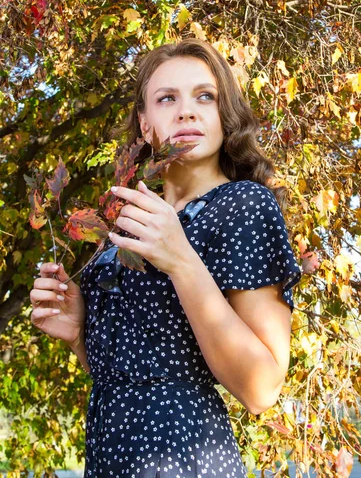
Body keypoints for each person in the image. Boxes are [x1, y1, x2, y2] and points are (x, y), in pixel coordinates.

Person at [30, 39, 301, 477]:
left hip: (185, 458)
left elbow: (261, 387)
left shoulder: (242, 205)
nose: (187, 111)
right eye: (167, 98)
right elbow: (140, 372)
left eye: (204, 96)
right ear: (143, 121)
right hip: (110, 455)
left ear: (223, 113)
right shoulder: (133, 222)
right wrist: (81, 333)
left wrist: (182, 261)